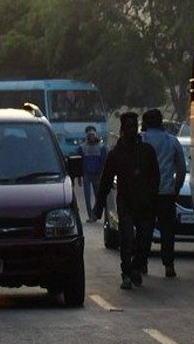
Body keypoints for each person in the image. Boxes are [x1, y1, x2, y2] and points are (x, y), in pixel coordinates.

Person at [93, 112, 159, 290]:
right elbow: (106, 181)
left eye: (134, 126)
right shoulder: (116, 154)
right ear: (122, 129)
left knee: (145, 240)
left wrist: (155, 202)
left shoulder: (147, 151)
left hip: (145, 203)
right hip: (126, 203)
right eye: (128, 126)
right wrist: (99, 206)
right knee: (127, 239)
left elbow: (155, 178)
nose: (131, 130)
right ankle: (126, 273)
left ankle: (136, 267)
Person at [140, 109, 186, 277]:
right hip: (167, 193)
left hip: (146, 194)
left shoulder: (141, 141)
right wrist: (176, 188)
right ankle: (169, 265)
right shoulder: (172, 141)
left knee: (145, 229)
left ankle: (142, 264)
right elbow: (181, 169)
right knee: (167, 230)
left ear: (145, 123)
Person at [74, 125, 107, 222]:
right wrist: (79, 177)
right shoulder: (82, 147)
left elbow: (104, 163)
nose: (91, 137)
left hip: (97, 174)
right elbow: (79, 163)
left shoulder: (101, 147)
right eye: (89, 135)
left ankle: (95, 213)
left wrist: (103, 175)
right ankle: (91, 215)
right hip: (86, 174)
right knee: (87, 198)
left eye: (93, 135)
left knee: (98, 196)